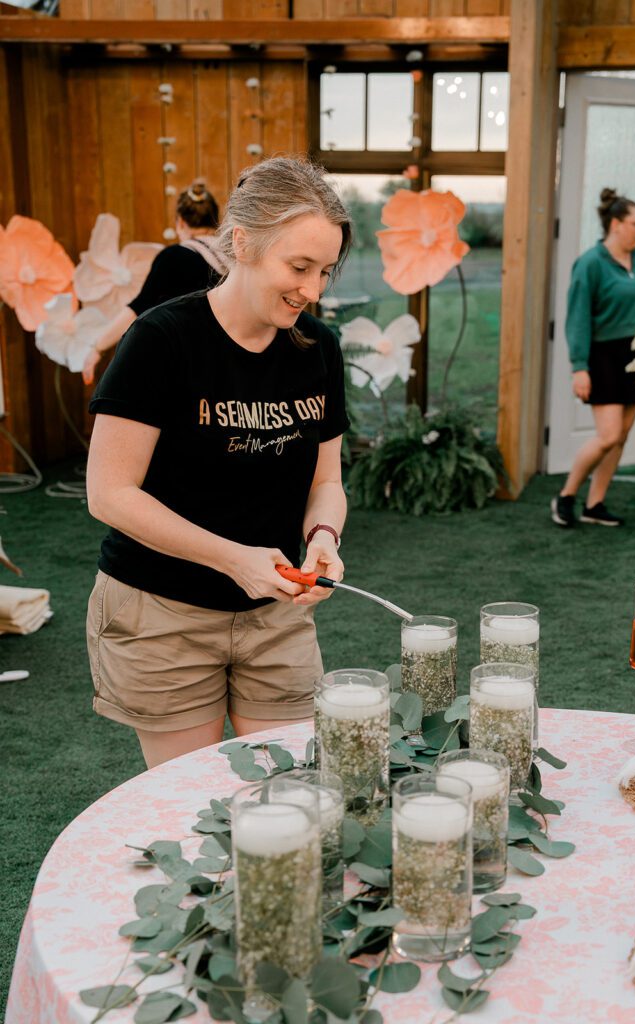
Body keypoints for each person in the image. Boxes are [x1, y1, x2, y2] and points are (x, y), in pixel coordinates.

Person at [85, 157, 352, 769]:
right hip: (162, 613)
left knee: (287, 792)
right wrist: (234, 559)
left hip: (277, 612)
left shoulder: (319, 348)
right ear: (242, 243)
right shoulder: (161, 339)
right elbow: (109, 493)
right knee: (193, 805)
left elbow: (327, 480)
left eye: (325, 272)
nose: (312, 291)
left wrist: (322, 535)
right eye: (299, 266)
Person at [551, 188, 635, 528]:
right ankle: (566, 496)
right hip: (604, 356)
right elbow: (578, 318)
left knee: (623, 435)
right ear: (615, 225)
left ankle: (595, 504)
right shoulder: (589, 263)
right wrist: (579, 368)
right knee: (609, 435)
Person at [82, 179, 227, 385]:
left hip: (185, 366)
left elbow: (138, 308)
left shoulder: (173, 257)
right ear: (216, 220)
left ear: (180, 223)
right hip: (226, 363)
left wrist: (97, 347)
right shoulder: (234, 258)